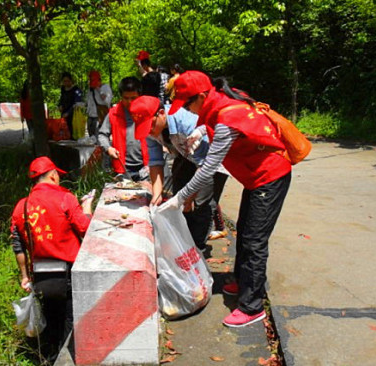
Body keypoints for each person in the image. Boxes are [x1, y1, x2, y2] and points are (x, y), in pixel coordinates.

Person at [161, 71, 292, 328]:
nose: (186, 109)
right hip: (256, 178)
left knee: (254, 241)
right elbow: (215, 123)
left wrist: (180, 197)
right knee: (244, 231)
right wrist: (200, 131)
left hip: (270, 176)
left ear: (200, 96)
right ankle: (244, 282)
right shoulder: (220, 100)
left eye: (187, 103)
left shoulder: (227, 118)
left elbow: (209, 167)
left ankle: (252, 307)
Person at [10, 156, 95, 359]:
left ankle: (49, 356)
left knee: (50, 316)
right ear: (54, 176)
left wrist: (24, 276)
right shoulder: (66, 198)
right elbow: (85, 228)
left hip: (41, 274)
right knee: (70, 317)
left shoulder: (21, 206)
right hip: (68, 272)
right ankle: (65, 358)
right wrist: (87, 207)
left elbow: (18, 245)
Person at [129, 95, 228, 254]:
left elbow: (204, 166)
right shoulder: (151, 129)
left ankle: (198, 250)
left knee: (201, 204)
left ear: (161, 113)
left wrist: (189, 197)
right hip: (187, 156)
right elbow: (155, 161)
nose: (149, 131)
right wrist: (157, 194)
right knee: (179, 201)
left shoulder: (186, 123)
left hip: (211, 162)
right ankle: (182, 244)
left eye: (151, 125)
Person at [98, 76, 149, 181]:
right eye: (126, 98)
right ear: (121, 96)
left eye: (133, 98)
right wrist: (108, 148)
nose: (130, 102)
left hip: (146, 167)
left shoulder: (147, 112)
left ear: (140, 96)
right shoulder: (114, 113)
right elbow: (102, 134)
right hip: (123, 168)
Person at [86, 70, 112, 139]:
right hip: (90, 116)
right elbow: (88, 101)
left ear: (99, 81)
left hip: (100, 116)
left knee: (100, 137)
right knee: (91, 138)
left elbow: (107, 102)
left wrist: (99, 90)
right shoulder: (90, 89)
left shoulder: (105, 87)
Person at [58, 72, 83, 140]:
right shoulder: (63, 89)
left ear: (71, 81)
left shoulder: (76, 90)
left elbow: (76, 103)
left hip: (74, 115)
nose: (66, 83)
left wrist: (68, 113)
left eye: (67, 81)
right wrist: (60, 105)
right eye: (64, 81)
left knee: (72, 133)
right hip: (64, 114)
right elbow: (61, 99)